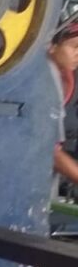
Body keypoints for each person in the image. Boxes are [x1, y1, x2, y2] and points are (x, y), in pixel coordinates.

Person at [50, 21, 78, 185]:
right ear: (51, 46)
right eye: (75, 47)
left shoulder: (73, 79)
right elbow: (48, 148)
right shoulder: (37, 85)